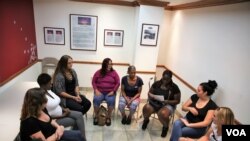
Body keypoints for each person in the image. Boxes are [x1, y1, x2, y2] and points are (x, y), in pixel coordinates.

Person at [19, 87, 85, 141]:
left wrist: (59, 127)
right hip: (52, 138)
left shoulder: (42, 109)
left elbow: (50, 121)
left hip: (55, 135)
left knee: (79, 135)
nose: (46, 100)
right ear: (37, 103)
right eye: (44, 98)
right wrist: (58, 132)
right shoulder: (29, 122)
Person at [37, 73, 87, 140]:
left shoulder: (49, 91)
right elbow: (47, 117)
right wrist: (63, 115)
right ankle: (81, 138)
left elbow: (57, 104)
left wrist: (64, 109)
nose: (51, 84)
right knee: (76, 121)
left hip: (62, 112)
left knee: (79, 115)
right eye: (49, 83)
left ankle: (80, 137)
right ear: (44, 85)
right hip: (56, 119)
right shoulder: (41, 97)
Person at [142, 70, 181, 137]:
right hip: (155, 103)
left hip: (168, 104)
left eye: (167, 79)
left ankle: (165, 127)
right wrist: (151, 96)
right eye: (164, 79)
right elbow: (149, 93)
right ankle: (146, 120)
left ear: (171, 78)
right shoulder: (156, 83)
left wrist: (167, 101)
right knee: (146, 108)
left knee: (162, 113)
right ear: (162, 77)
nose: (165, 81)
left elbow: (177, 101)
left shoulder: (174, 87)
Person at [92, 58, 120, 126]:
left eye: (111, 64)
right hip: (100, 92)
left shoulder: (114, 73)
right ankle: (96, 116)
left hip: (110, 92)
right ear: (104, 65)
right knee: (96, 99)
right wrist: (96, 90)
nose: (110, 65)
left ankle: (108, 117)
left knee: (111, 101)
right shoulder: (98, 72)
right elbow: (93, 81)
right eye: (108, 64)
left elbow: (118, 82)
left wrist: (113, 91)